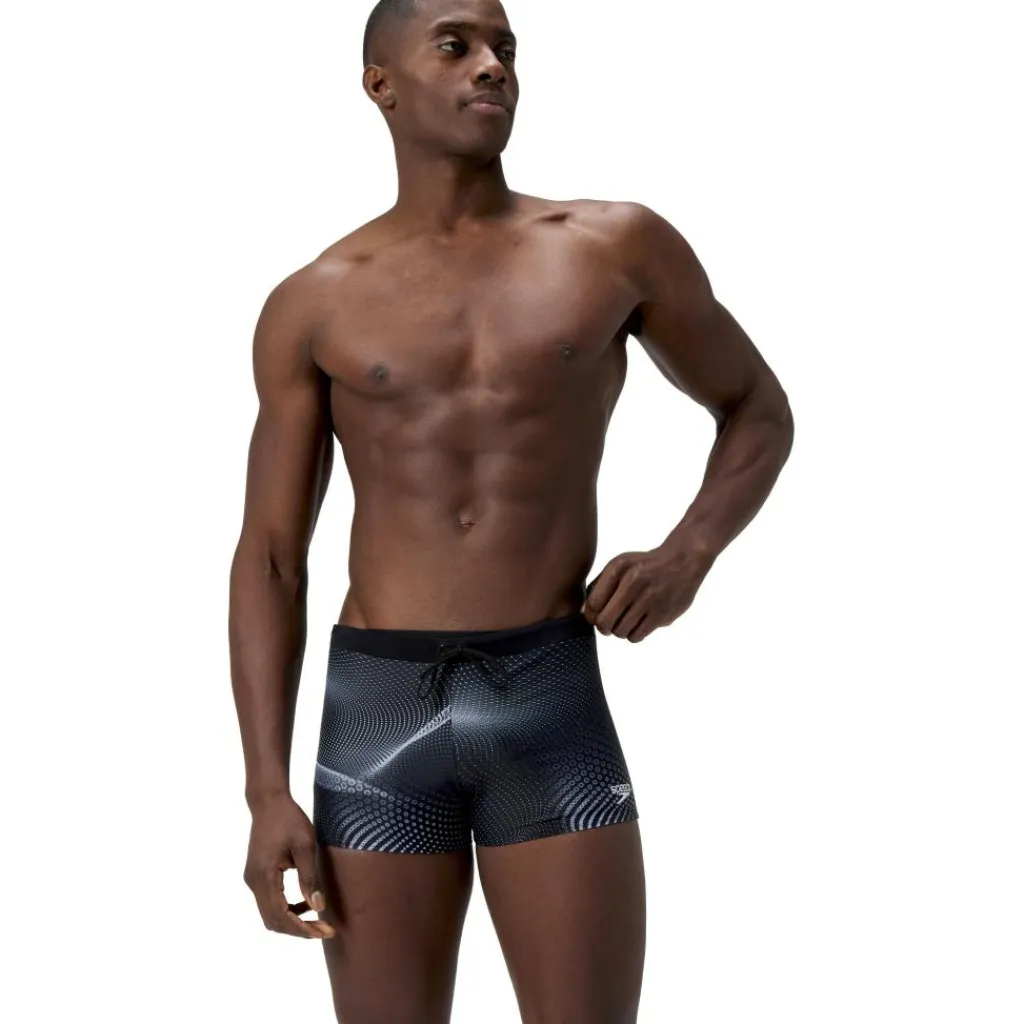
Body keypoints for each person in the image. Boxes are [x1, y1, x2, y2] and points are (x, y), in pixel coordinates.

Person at [228, 0, 794, 1020]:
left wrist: (687, 553)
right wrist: (266, 791)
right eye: (456, 46)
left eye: (505, 49)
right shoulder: (315, 300)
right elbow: (272, 556)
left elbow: (756, 407)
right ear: (380, 83)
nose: (491, 66)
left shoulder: (612, 247)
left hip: (546, 688)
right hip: (380, 713)